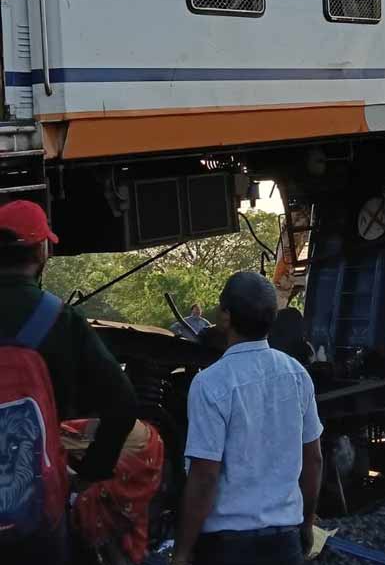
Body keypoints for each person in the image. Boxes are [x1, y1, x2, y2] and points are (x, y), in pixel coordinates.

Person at [0, 199, 138, 565]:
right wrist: (91, 472)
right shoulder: (59, 319)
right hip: (40, 510)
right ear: (41, 251)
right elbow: (123, 403)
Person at [172, 271, 324, 565]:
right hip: (285, 543)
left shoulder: (210, 383)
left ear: (225, 316)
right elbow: (314, 459)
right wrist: (306, 523)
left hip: (227, 548)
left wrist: (182, 552)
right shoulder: (297, 374)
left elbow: (204, 476)